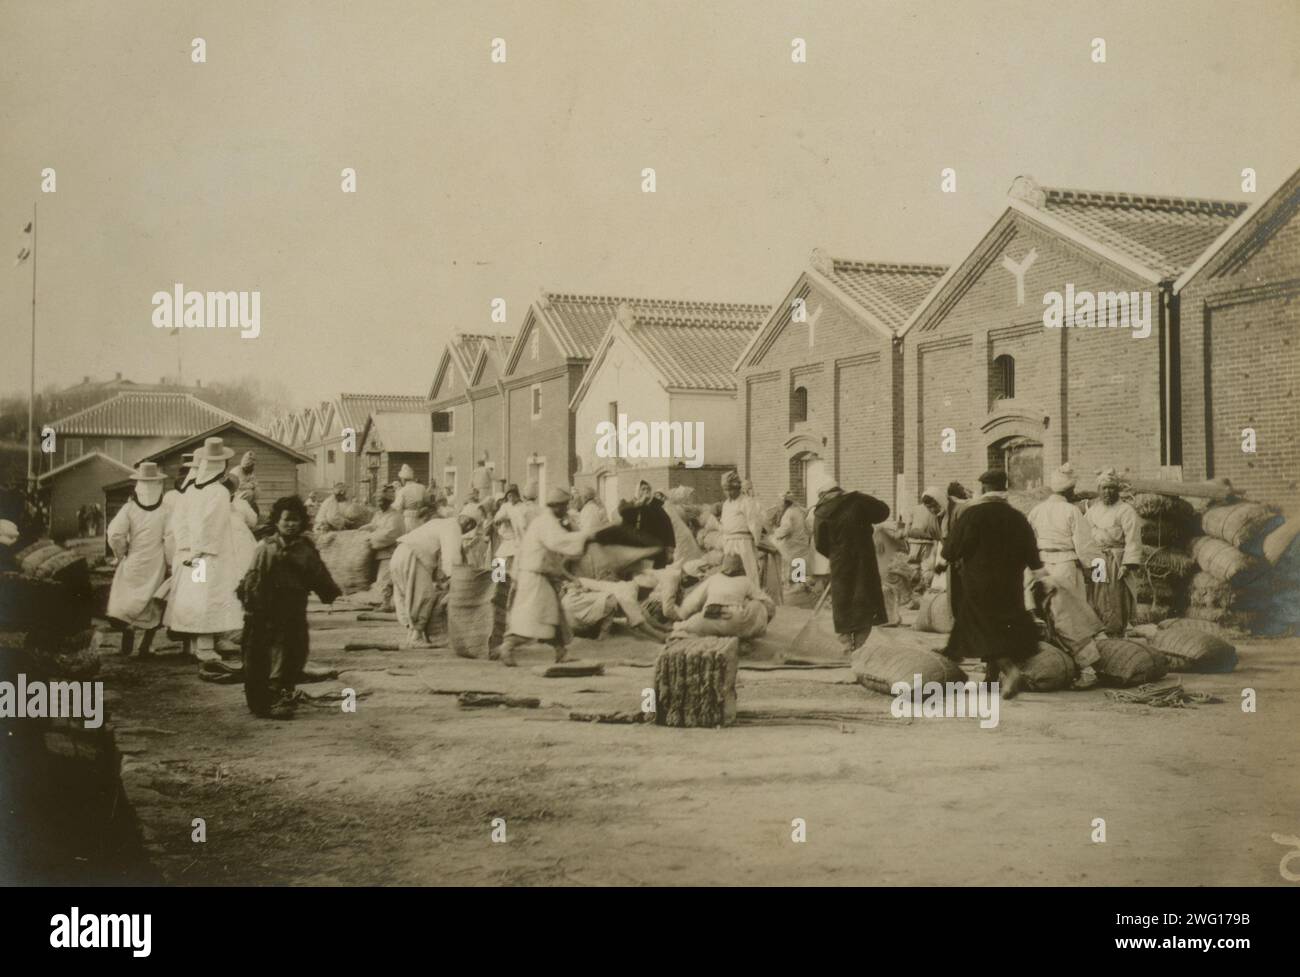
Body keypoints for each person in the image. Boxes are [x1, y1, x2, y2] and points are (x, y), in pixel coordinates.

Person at [940, 468, 1049, 697]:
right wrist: (1040, 574)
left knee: (982, 629)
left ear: (983, 489)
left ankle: (1010, 671)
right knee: (1000, 627)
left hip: (979, 584)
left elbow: (952, 549)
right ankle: (990, 679)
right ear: (1004, 489)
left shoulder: (973, 515)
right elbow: (1031, 551)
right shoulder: (1017, 517)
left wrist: (945, 559)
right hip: (1010, 584)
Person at [237, 495, 341, 719]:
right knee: (267, 654)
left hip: (294, 607)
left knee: (295, 650)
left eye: (296, 520)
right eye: (286, 520)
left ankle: (285, 692)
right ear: (277, 522)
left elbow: (318, 573)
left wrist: (329, 592)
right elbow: (252, 580)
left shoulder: (305, 548)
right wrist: (253, 608)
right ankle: (267, 699)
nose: (291, 524)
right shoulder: (266, 548)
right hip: (267, 610)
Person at [164, 437, 246, 664]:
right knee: (207, 597)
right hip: (206, 556)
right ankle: (204, 647)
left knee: (194, 597)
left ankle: (193, 645)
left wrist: (185, 547)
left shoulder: (189, 490)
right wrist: (199, 551)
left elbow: (178, 521)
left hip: (189, 553)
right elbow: (212, 524)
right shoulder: (218, 492)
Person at [497, 487, 592, 667]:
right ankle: (507, 646)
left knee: (553, 615)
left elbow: (553, 556)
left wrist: (567, 576)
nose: (566, 509)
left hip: (531, 569)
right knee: (532, 619)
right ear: (556, 506)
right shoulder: (546, 522)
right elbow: (560, 542)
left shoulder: (546, 520)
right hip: (532, 575)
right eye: (564, 506)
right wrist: (585, 537)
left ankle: (561, 652)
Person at [812, 481, 891, 654]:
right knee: (864, 598)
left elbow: (819, 543)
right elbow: (883, 511)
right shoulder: (858, 501)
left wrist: (835, 554)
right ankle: (861, 644)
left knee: (843, 600)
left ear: (822, 494)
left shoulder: (821, 511)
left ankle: (847, 643)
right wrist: (861, 497)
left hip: (840, 561)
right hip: (864, 559)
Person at [104, 463, 169, 657]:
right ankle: (145, 646)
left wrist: (121, 553)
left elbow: (115, 534)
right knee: (154, 602)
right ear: (158, 483)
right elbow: (172, 537)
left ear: (138, 484)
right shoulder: (166, 509)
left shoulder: (129, 509)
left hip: (134, 558)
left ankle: (128, 631)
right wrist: (171, 560)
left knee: (127, 599)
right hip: (156, 561)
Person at [389, 510, 471, 648]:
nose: (468, 527)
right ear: (461, 518)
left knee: (408, 596)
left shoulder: (440, 523)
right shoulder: (452, 526)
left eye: (472, 525)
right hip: (413, 556)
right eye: (469, 522)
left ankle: (412, 635)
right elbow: (451, 557)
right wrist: (454, 578)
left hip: (400, 554)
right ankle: (415, 637)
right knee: (422, 596)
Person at [1085, 468, 1142, 636]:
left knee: (1114, 595)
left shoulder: (1126, 511)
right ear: (1099, 490)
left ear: (1117, 490)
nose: (1107, 492)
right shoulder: (1093, 511)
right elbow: (1086, 535)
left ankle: (1115, 631)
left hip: (1116, 560)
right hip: (1098, 560)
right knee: (1098, 594)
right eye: (1104, 488)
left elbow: (1133, 538)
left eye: (1111, 488)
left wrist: (1127, 564)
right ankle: (1099, 629)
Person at [672, 552, 775, 639]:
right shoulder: (745, 581)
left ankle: (679, 627)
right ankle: (745, 637)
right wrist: (766, 617)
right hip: (735, 621)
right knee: (757, 605)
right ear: (741, 566)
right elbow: (768, 602)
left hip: (709, 618)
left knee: (683, 626)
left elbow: (693, 601)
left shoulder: (714, 578)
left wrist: (681, 615)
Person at [719, 470, 765, 585]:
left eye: (731, 490)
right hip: (728, 542)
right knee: (729, 571)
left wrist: (757, 542)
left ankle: (754, 596)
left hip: (743, 542)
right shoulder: (726, 504)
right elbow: (724, 523)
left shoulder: (746, 502)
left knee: (749, 571)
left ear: (738, 488)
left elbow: (754, 523)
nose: (729, 493)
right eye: (726, 490)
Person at [364, 484, 403, 611]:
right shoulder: (379, 514)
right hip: (380, 551)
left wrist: (371, 538)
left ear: (388, 501)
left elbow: (390, 534)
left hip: (390, 552)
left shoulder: (395, 516)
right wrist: (363, 531)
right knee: (381, 579)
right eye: (378, 500)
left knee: (385, 578)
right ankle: (386, 601)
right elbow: (373, 525)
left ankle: (387, 603)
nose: (379, 503)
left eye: (381, 501)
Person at [905, 486, 945, 591]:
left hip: (913, 543)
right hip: (929, 543)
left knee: (913, 567)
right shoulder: (935, 510)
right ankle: (925, 589)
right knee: (927, 568)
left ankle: (913, 590)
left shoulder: (913, 509)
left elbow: (907, 530)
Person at [772, 491, 812, 590]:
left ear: (785, 503)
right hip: (801, 542)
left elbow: (786, 529)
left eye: (780, 503)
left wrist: (774, 533)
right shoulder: (799, 510)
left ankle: (791, 586)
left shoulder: (789, 513)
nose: (779, 505)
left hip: (792, 544)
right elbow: (808, 527)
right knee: (799, 563)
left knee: (790, 563)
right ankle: (800, 585)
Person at [662, 486, 702, 565]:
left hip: (678, 535)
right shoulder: (672, 507)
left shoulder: (671, 508)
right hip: (681, 534)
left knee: (681, 557)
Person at [394, 464, 427, 533]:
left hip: (408, 520)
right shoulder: (422, 487)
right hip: (421, 519)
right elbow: (427, 502)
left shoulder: (403, 491)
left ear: (403, 479)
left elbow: (397, 507)